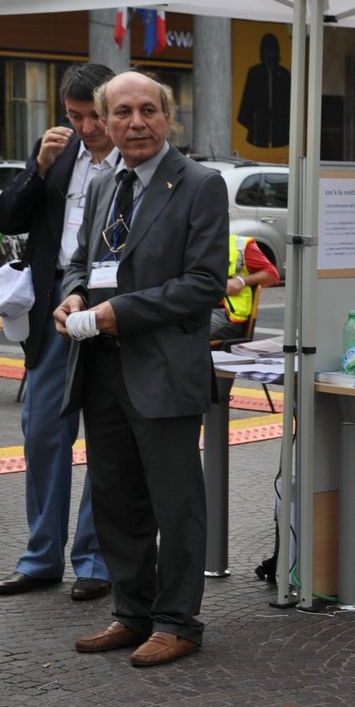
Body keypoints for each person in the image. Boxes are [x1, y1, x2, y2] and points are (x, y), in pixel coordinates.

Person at [55, 71, 228, 669]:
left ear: (168, 117)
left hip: (162, 367)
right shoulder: (105, 184)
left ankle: (178, 621)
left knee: (174, 501)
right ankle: (133, 612)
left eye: (148, 110)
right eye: (122, 111)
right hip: (101, 365)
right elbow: (80, 263)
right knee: (115, 496)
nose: (136, 122)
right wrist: (74, 297)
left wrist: (114, 312)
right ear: (104, 120)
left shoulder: (200, 185)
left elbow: (204, 285)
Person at [0, 63, 117, 601]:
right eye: (75, 115)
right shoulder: (56, 151)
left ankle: (94, 561)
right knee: (43, 436)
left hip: (111, 317)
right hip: (53, 318)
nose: (86, 127)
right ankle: (42, 557)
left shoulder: (134, 159)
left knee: (108, 444)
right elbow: (7, 220)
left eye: (94, 117)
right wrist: (38, 169)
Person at [211, 233, 279, 344]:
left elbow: (272, 275)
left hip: (226, 314)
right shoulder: (186, 243)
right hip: (196, 309)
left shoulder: (239, 245)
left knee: (180, 332)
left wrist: (241, 281)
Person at [237, 32, 291, 149]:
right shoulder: (255, 72)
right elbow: (246, 102)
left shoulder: (285, 74)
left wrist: (285, 122)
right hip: (257, 134)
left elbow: (289, 104)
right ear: (262, 51)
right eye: (267, 49)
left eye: (272, 49)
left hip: (280, 134)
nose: (270, 53)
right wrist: (254, 122)